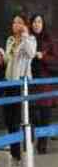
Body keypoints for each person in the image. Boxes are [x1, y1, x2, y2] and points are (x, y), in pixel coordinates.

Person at [4, 12, 37, 167]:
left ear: (25, 25)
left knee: (22, 118)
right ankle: (15, 154)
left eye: (19, 22)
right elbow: (7, 60)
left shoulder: (30, 40)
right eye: (13, 22)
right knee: (10, 120)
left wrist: (24, 37)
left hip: (22, 82)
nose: (15, 25)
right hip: (9, 82)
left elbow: (31, 54)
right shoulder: (10, 40)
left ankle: (26, 154)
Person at [30, 14, 57, 154]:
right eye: (34, 22)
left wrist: (43, 57)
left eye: (39, 21)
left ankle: (42, 146)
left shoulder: (49, 40)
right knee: (33, 115)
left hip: (45, 84)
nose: (36, 24)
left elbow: (56, 61)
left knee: (44, 115)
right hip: (30, 83)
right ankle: (34, 141)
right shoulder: (28, 39)